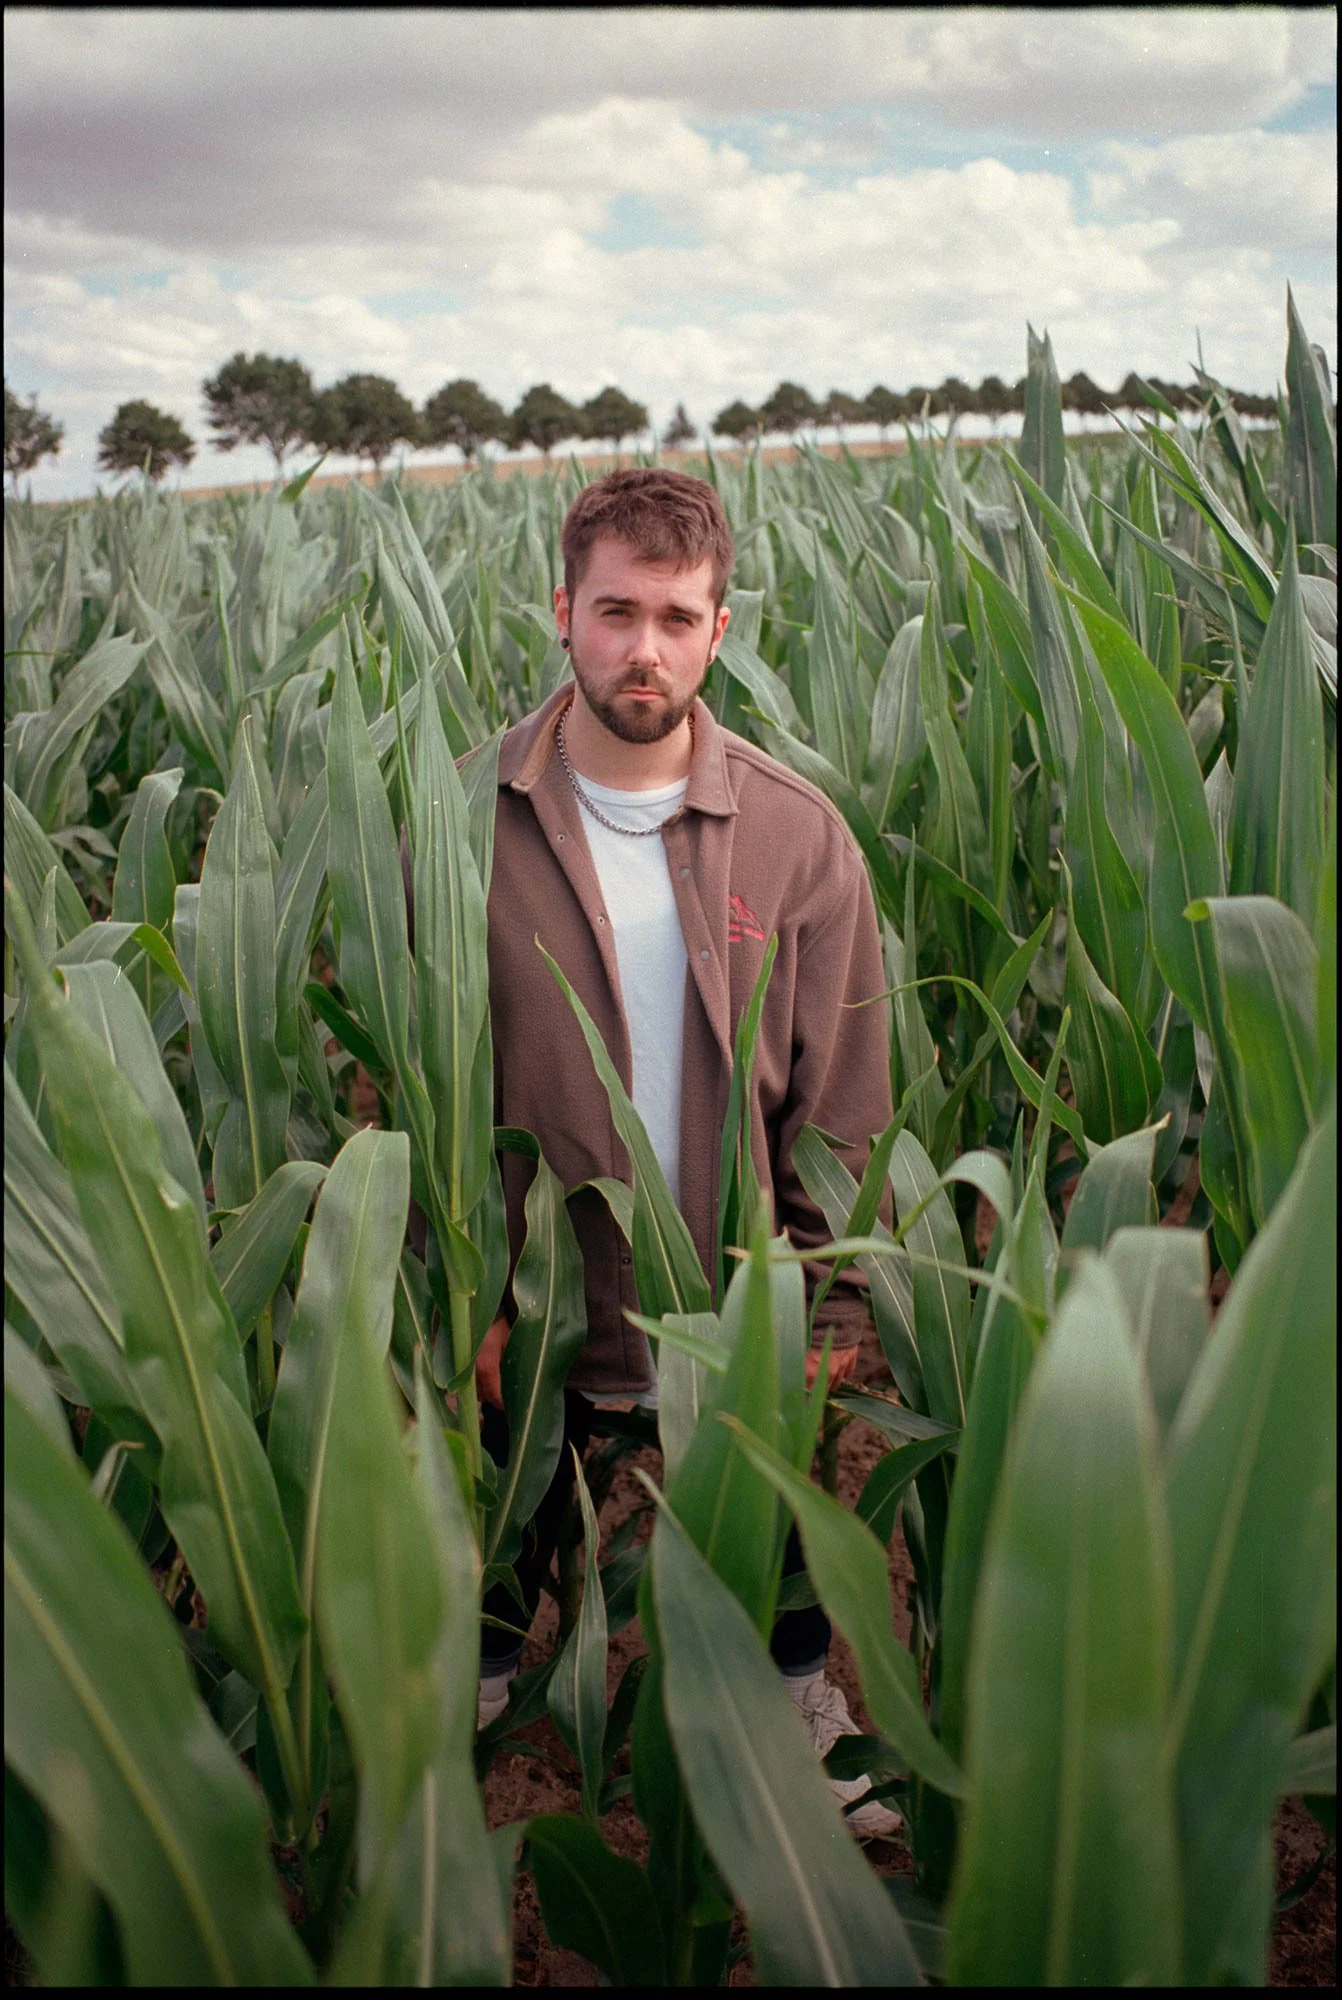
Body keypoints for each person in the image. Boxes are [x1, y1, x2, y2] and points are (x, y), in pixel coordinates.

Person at [451, 466, 899, 1840]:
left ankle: (799, 1710)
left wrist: (822, 1305)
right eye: (614, 612)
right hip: (534, 1298)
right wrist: (451, 1286)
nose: (642, 647)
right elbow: (408, 1075)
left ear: (718, 628)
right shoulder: (459, 815)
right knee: (503, 1525)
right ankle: (469, 1710)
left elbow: (841, 1107)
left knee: (772, 1537)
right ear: (561, 613)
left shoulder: (794, 834)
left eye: (676, 616)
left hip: (732, 1289)